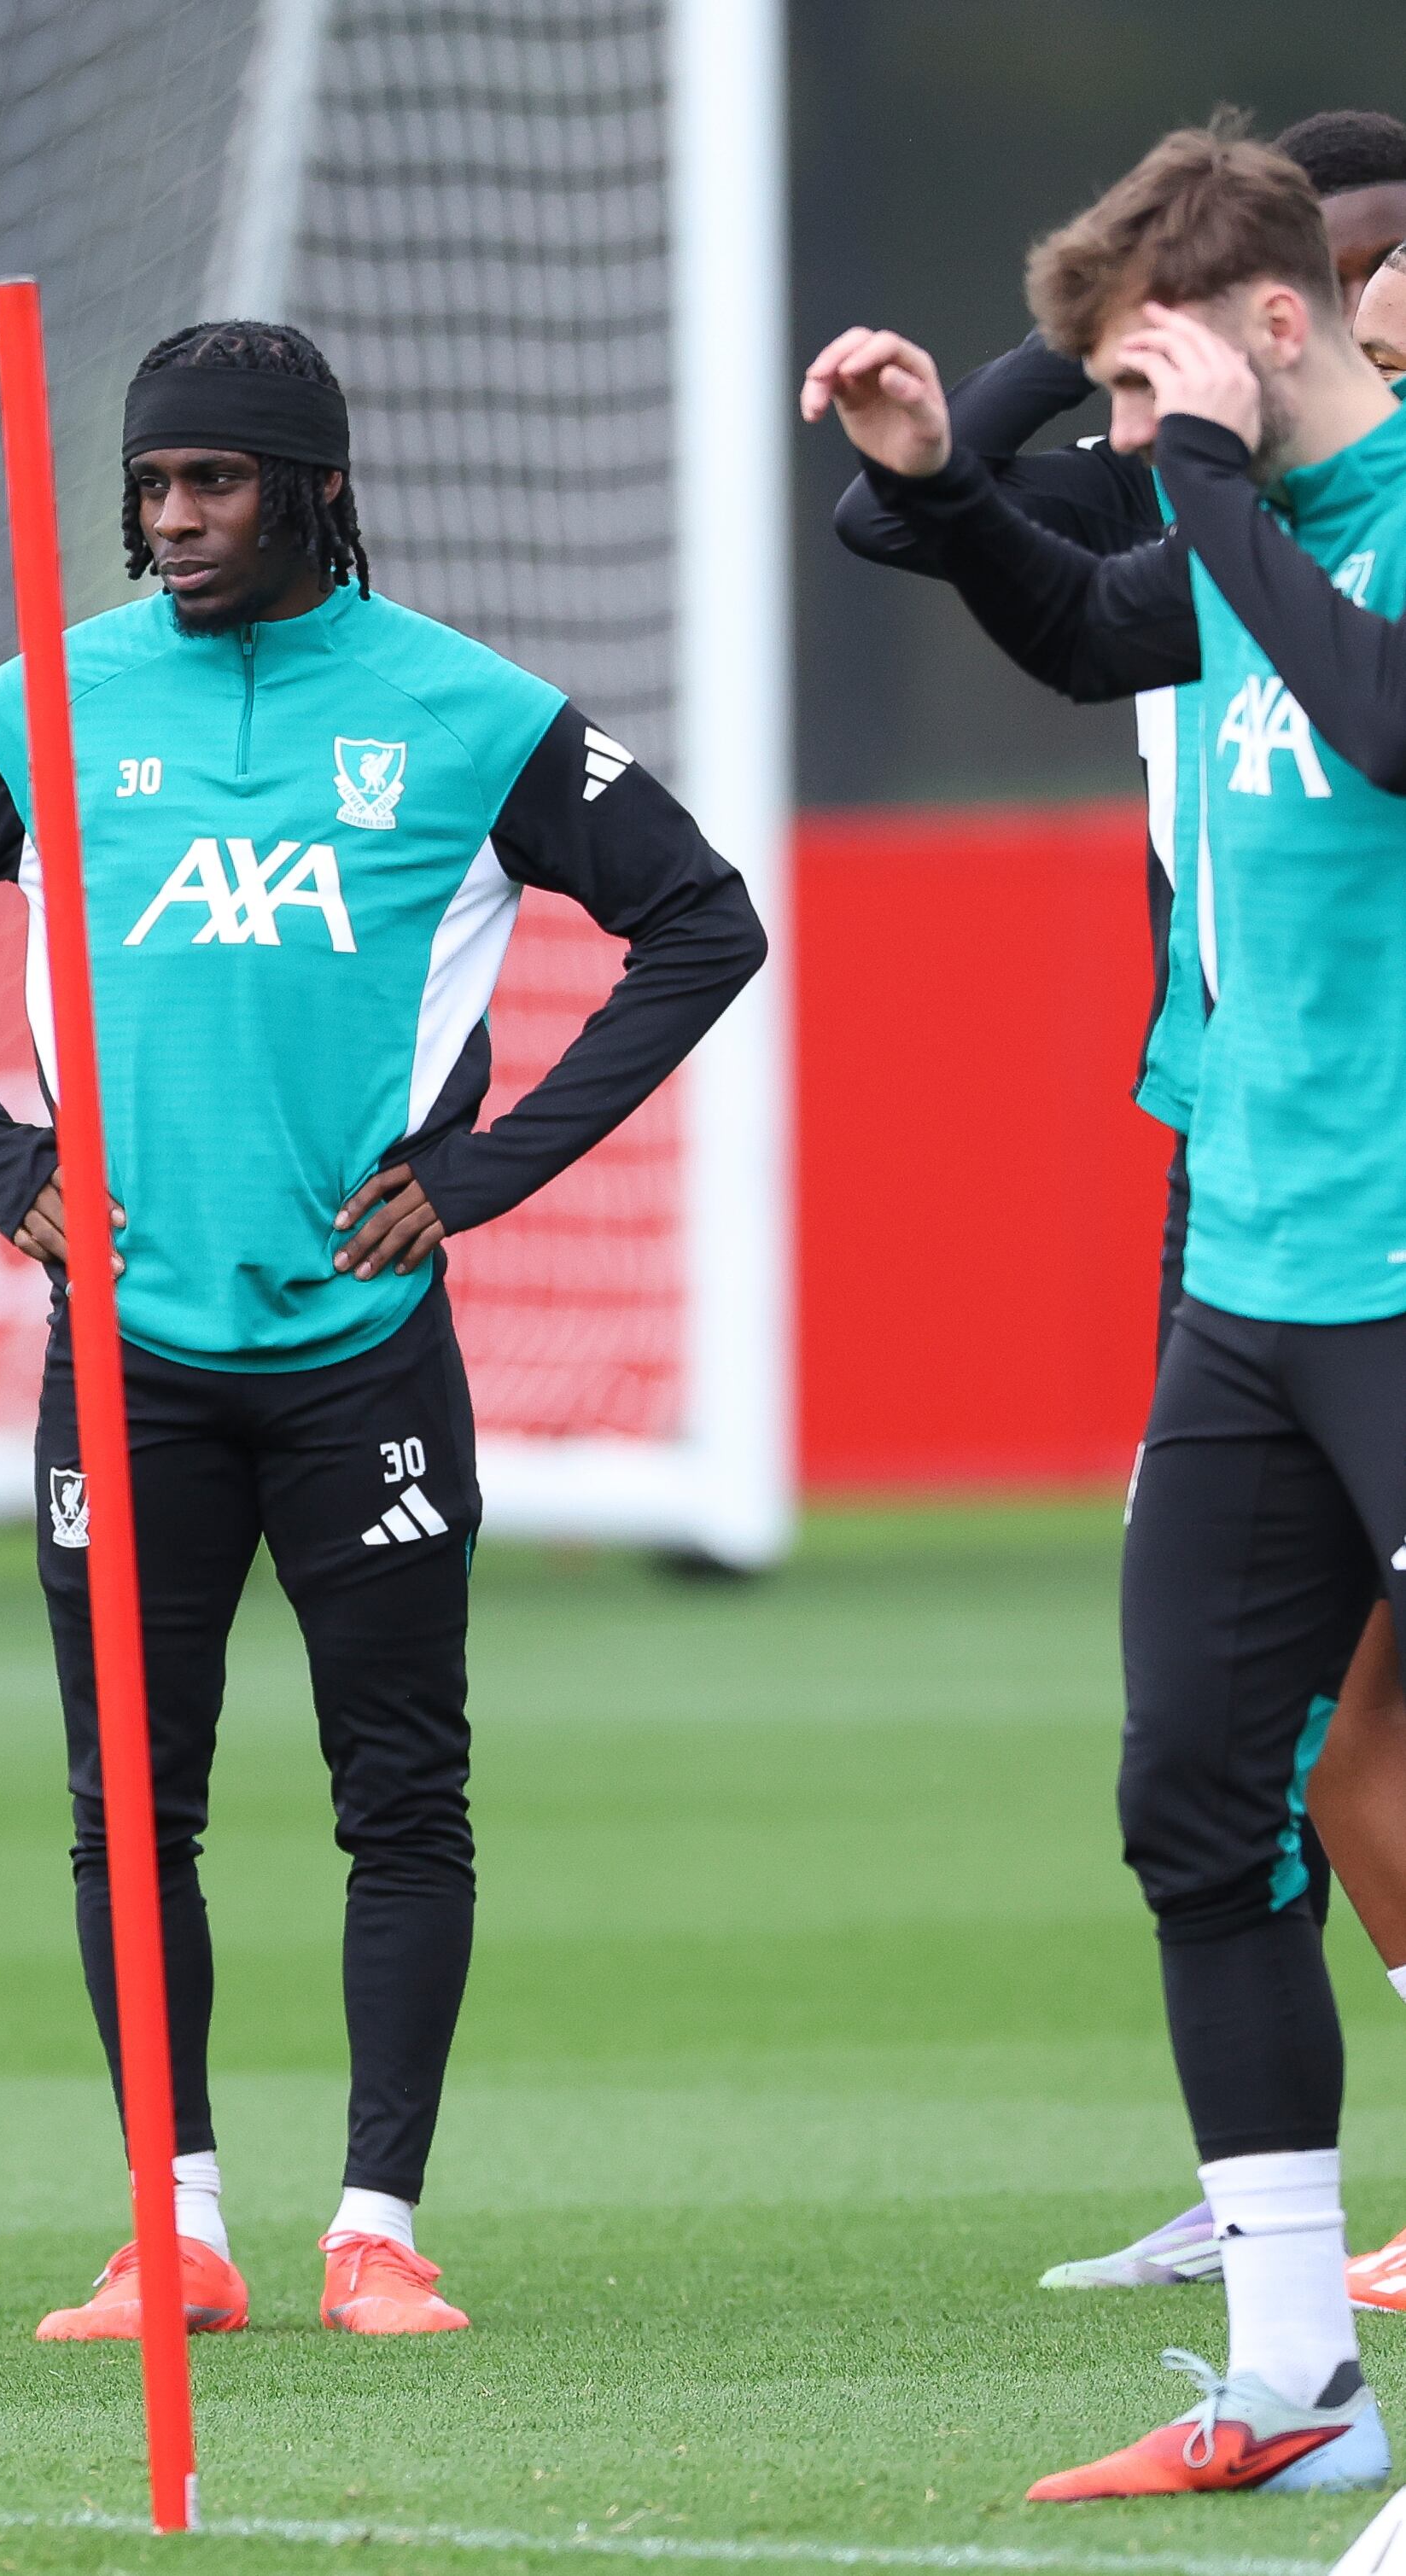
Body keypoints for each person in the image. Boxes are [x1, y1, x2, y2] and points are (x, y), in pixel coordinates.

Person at [0, 320, 765, 2345]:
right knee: (126, 1806)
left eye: (217, 484)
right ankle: (171, 2227)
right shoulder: (45, 702)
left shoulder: (469, 711)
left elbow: (705, 920)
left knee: (399, 1792)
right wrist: (1, 1166)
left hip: (365, 1362)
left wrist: (496, 1170)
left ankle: (376, 2226)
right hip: (125, 1363)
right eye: (153, 486)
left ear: (315, 495)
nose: (174, 523)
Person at [813, 117, 1406, 2500]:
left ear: (1276, 333)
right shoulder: (1213, 513)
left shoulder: (1332, 517)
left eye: (1150, 371)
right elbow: (1080, 632)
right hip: (1253, 1288)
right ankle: (1291, 2374)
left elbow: (1383, 721)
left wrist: (1208, 477)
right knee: (1194, 1801)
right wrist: (950, 486)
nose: (1126, 420)